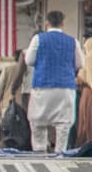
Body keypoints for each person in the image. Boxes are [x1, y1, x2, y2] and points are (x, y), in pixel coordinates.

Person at [26, 11, 82, 153]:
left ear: (47, 23)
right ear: (62, 24)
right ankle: (60, 152)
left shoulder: (38, 39)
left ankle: (39, 150)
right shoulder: (73, 41)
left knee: (38, 122)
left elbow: (29, 60)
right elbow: (80, 64)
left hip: (42, 85)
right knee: (63, 124)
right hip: (65, 88)